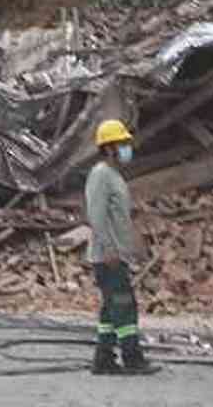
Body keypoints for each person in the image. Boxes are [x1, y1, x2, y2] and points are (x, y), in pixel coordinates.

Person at [85, 118, 158, 375]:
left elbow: (119, 217)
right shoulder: (101, 175)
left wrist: (132, 247)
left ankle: (103, 359)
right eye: (122, 143)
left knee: (111, 308)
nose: (127, 147)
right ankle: (132, 357)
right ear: (108, 148)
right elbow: (97, 216)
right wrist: (109, 249)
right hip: (108, 256)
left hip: (117, 254)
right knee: (124, 305)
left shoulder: (113, 175)